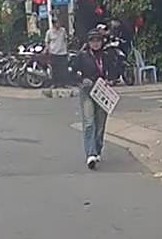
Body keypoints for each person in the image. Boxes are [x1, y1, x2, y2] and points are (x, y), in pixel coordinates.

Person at [71, 29, 120, 170]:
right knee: (89, 122)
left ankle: (97, 148)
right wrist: (81, 79)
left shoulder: (107, 56)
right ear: (88, 43)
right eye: (93, 41)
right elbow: (73, 72)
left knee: (100, 124)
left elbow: (114, 72)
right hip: (87, 91)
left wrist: (110, 80)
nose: (96, 43)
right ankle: (90, 153)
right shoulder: (82, 56)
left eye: (98, 40)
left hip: (102, 92)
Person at [46, 16, 70, 87]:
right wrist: (48, 49)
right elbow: (47, 42)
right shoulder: (49, 32)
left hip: (63, 53)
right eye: (57, 23)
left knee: (63, 69)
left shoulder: (63, 30)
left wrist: (66, 49)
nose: (59, 24)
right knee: (55, 69)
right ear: (54, 24)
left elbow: (66, 40)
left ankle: (64, 84)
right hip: (54, 53)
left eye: (59, 23)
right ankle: (55, 83)